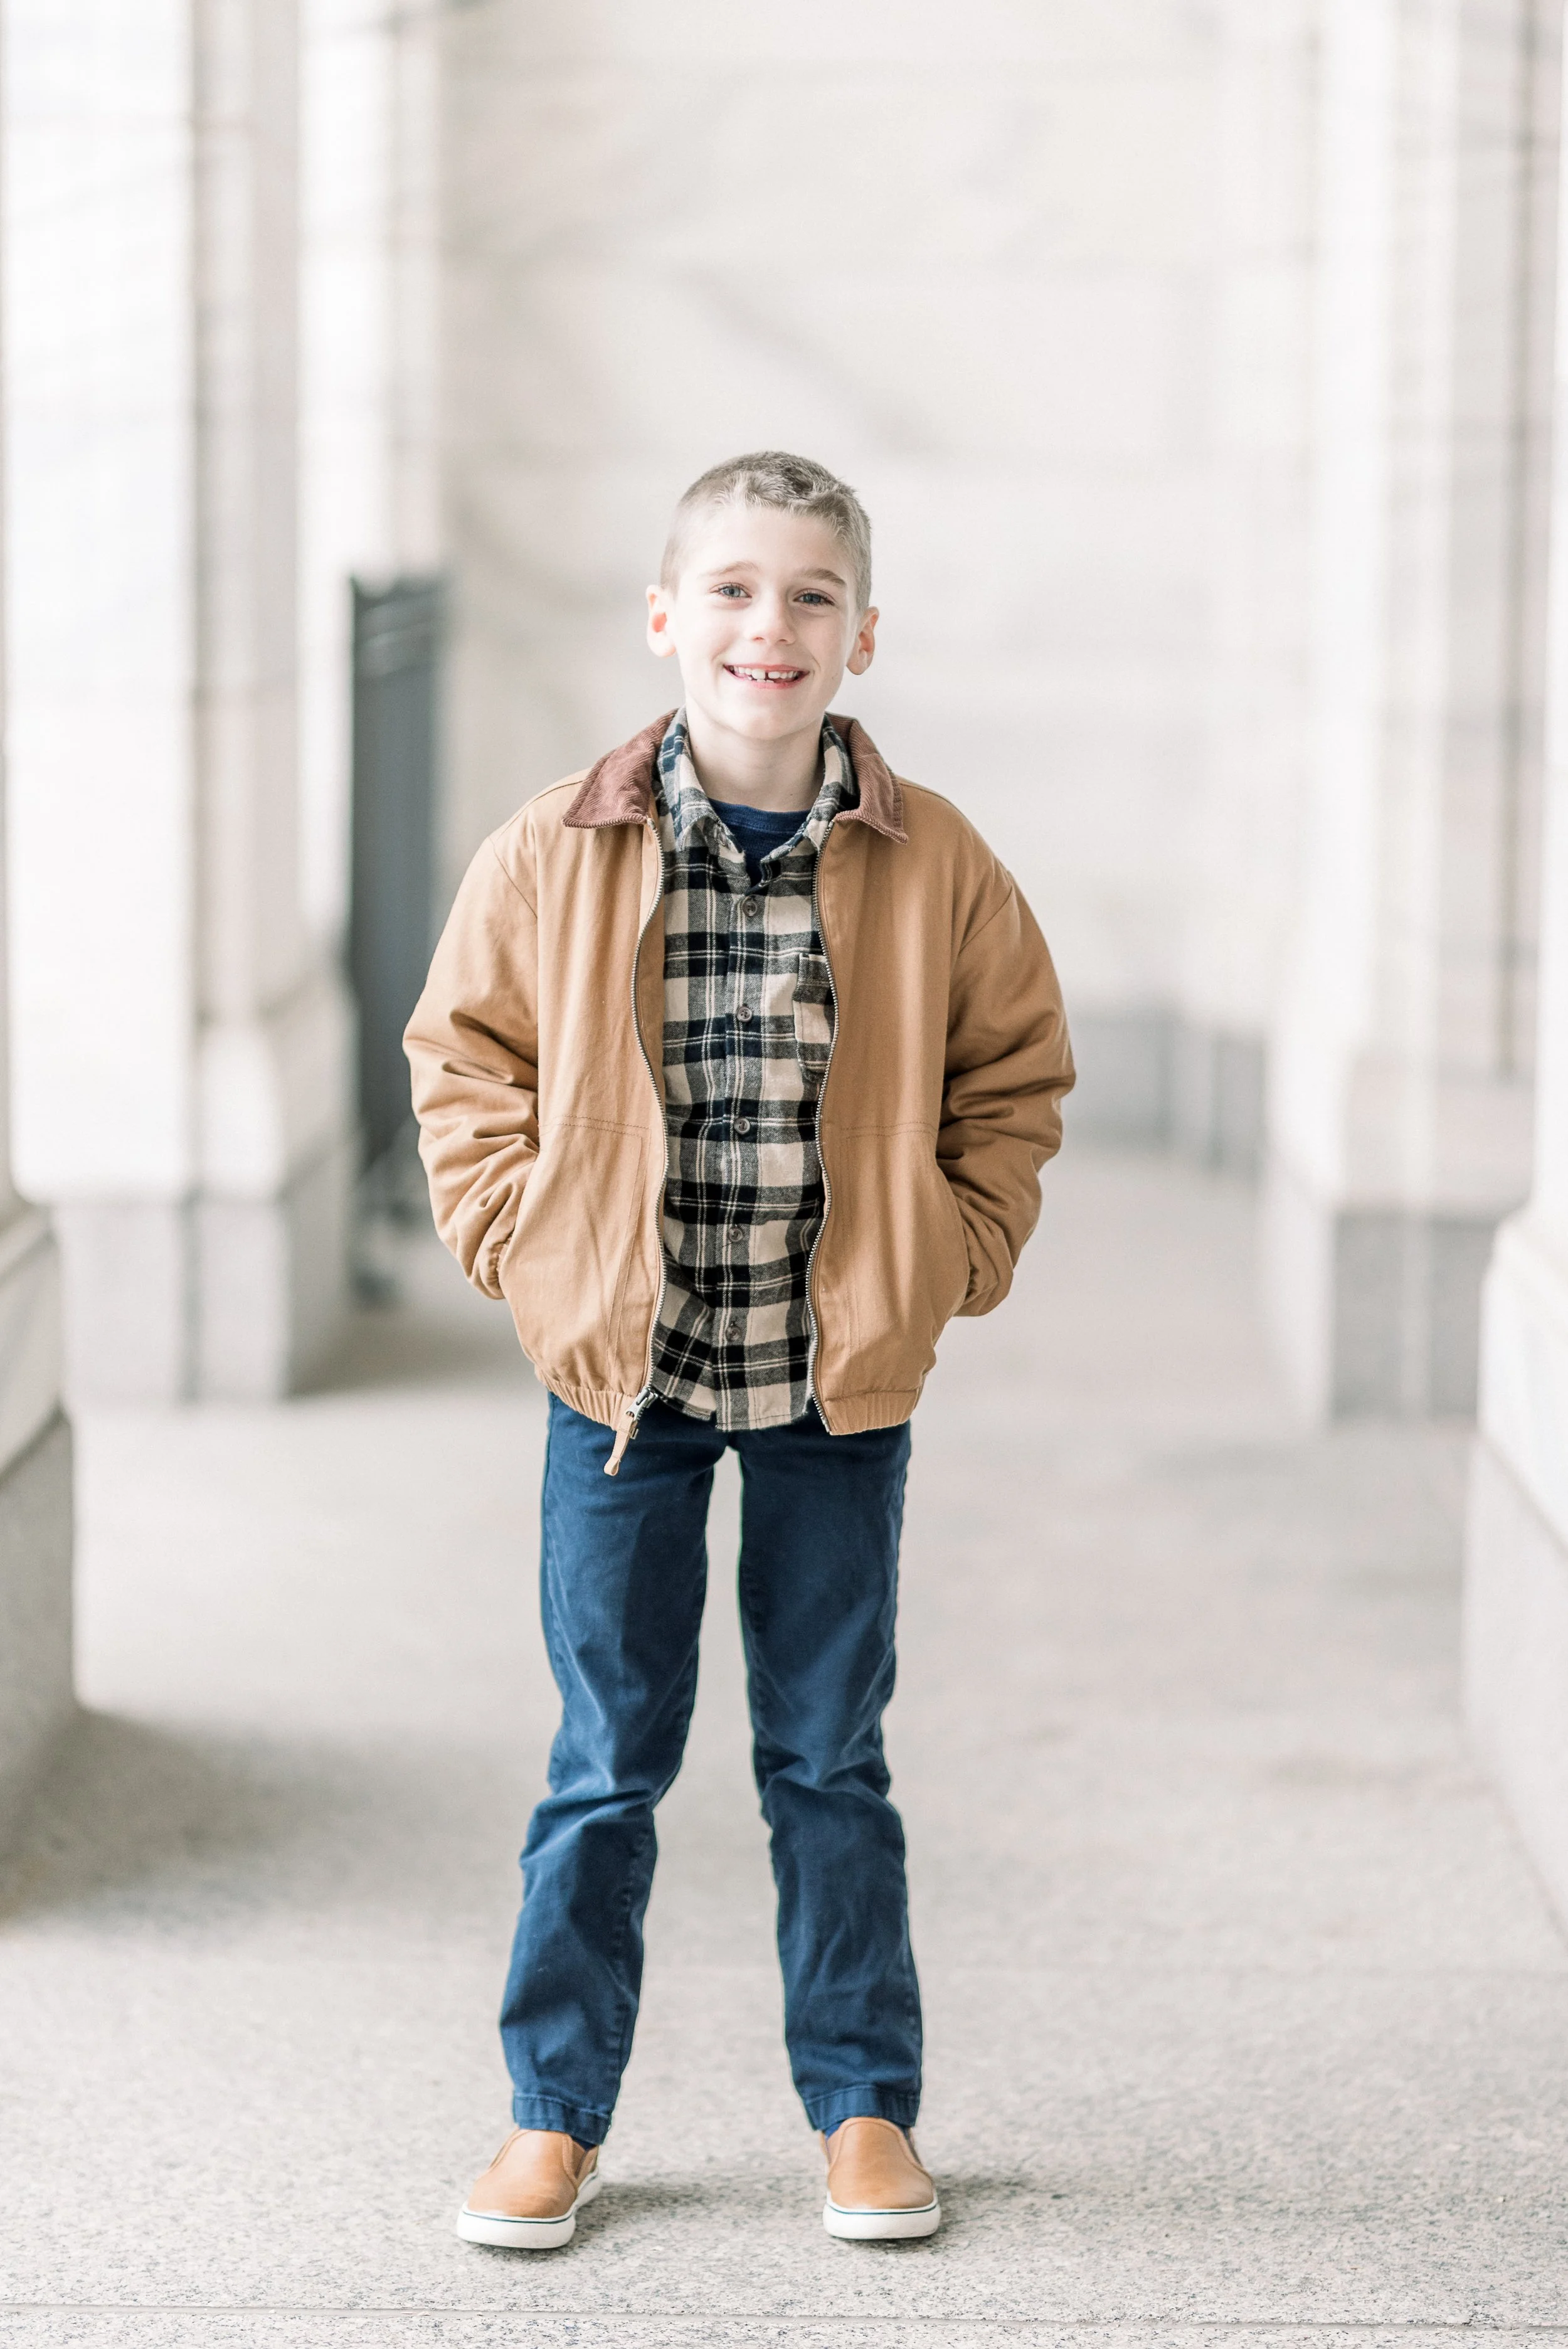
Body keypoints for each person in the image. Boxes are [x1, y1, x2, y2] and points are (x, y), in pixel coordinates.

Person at [405, 450, 1073, 2251]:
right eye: (728, 590)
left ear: (860, 635)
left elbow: (1011, 1075)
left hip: (830, 1388)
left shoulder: (937, 863)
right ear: (663, 617)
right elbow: (465, 1064)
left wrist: (952, 1260)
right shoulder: (559, 845)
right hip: (620, 1387)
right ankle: (553, 2118)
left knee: (826, 1759)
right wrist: (517, 1248)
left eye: (802, 598)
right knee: (605, 1758)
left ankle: (861, 2108)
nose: (762, 628)